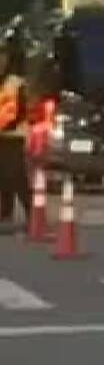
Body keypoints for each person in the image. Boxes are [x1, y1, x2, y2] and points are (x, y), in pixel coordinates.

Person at [0, 38, 31, 227]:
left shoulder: (15, 83)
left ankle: (31, 212)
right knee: (2, 175)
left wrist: (6, 125)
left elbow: (20, 111)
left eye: (2, 57)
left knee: (16, 175)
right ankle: (6, 212)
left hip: (13, 136)